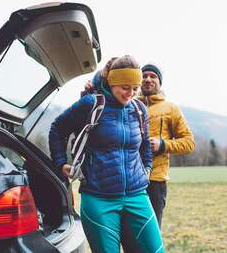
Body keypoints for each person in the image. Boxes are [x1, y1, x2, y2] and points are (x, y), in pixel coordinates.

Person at [48, 56, 164, 253]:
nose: (130, 93)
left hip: (137, 195)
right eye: (125, 87)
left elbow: (144, 143)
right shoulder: (91, 104)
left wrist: (147, 168)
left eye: (135, 88)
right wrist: (61, 162)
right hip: (99, 197)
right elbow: (57, 129)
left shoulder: (139, 109)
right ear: (112, 82)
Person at [140, 63, 195, 228]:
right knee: (130, 235)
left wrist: (163, 145)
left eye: (153, 76)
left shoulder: (171, 109)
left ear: (159, 82)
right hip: (130, 181)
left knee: (151, 235)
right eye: (144, 76)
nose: (148, 79)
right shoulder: (130, 105)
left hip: (155, 182)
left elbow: (188, 143)